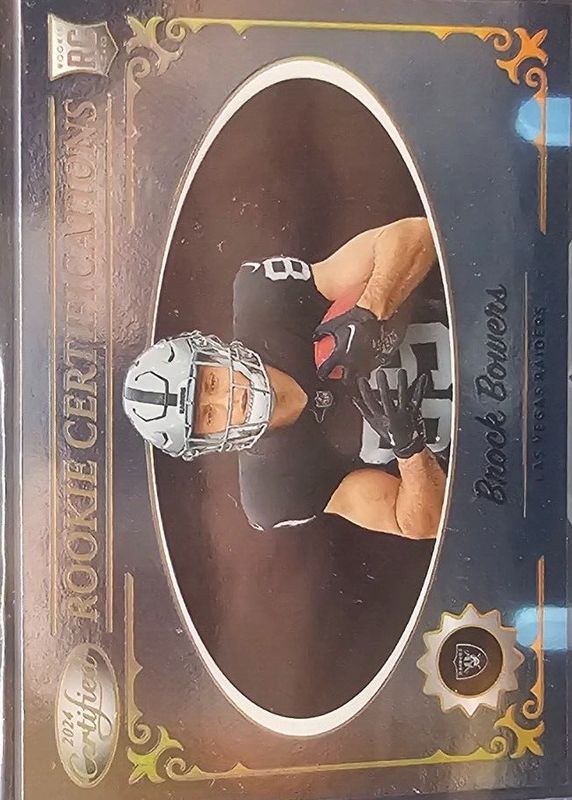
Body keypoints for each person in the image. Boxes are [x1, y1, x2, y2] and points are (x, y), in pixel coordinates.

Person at [123, 217, 452, 539]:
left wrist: (371, 308)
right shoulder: (274, 489)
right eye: (209, 415)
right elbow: (424, 522)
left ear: (216, 353)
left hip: (475, 323)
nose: (229, 399)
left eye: (212, 383)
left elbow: (418, 234)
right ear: (208, 442)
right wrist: (410, 448)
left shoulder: (267, 300)